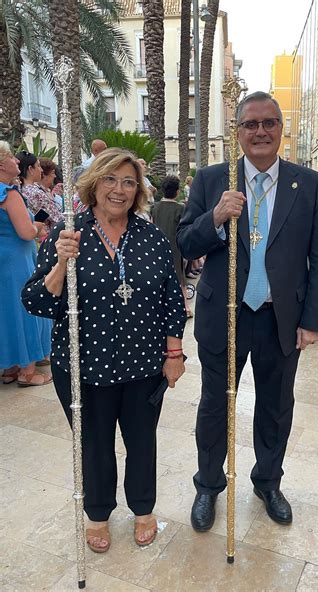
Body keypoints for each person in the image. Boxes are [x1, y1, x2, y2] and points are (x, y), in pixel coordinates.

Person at [177, 91, 318, 531]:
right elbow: (186, 242)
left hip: (281, 318)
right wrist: (215, 217)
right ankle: (208, 486)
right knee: (214, 406)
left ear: (282, 128)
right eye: (251, 124)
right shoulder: (211, 180)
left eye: (269, 122)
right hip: (223, 316)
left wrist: (312, 321)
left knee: (276, 406)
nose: (260, 131)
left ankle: (268, 481)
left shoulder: (308, 183)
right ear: (238, 132)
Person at [22, 148, 187, 553]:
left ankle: (143, 509)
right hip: (82, 365)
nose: (119, 189)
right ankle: (97, 513)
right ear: (94, 184)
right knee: (94, 443)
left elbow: (171, 299)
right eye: (111, 179)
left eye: (128, 182)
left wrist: (175, 353)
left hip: (144, 364)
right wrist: (61, 263)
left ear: (138, 190)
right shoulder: (68, 233)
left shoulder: (151, 237)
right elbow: (37, 302)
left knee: (141, 438)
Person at [0, 142, 52, 386]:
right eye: (11, 156)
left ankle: (9, 368)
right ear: (2, 163)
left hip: (3, 258)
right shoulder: (9, 194)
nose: (17, 161)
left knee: (6, 311)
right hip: (17, 259)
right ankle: (27, 372)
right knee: (26, 309)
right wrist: (37, 227)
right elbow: (25, 232)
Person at [151, 174, 192, 318]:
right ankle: (185, 307)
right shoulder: (181, 208)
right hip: (175, 247)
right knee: (180, 278)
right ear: (177, 191)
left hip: (157, 247)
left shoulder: (154, 207)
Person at [16, 151, 63, 236]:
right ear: (30, 169)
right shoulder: (35, 193)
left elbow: (41, 216)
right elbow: (56, 218)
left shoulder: (19, 189)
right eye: (38, 166)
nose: (41, 170)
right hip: (47, 238)